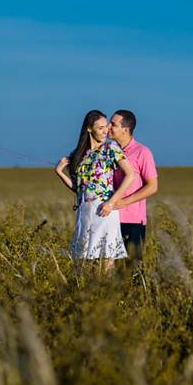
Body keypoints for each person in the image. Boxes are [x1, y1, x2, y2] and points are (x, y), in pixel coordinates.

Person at [54, 110, 136, 271]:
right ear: (89, 128)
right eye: (100, 128)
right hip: (85, 212)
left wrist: (111, 203)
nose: (106, 131)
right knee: (84, 263)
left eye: (107, 127)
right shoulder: (80, 155)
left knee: (106, 261)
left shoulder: (111, 148)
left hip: (105, 211)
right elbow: (79, 189)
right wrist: (59, 172)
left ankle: (108, 287)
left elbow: (130, 175)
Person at [107, 110, 158, 261]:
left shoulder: (142, 152)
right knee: (110, 268)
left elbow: (152, 187)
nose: (108, 126)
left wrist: (123, 202)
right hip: (110, 218)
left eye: (113, 124)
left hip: (133, 221)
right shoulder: (108, 151)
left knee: (132, 268)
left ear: (125, 129)